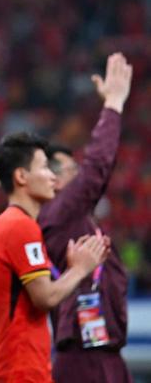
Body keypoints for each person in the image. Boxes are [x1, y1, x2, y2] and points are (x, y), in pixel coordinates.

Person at [39, 52, 133, 382]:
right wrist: (114, 104)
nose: (79, 176)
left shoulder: (78, 220)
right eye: (72, 171)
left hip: (105, 353)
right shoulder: (57, 213)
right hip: (83, 357)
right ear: (51, 179)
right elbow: (96, 168)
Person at [0, 132, 107, 382]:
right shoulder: (20, 226)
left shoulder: (12, 223)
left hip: (18, 365)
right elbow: (45, 297)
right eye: (44, 168)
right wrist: (80, 269)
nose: (53, 176)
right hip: (19, 369)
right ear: (21, 176)